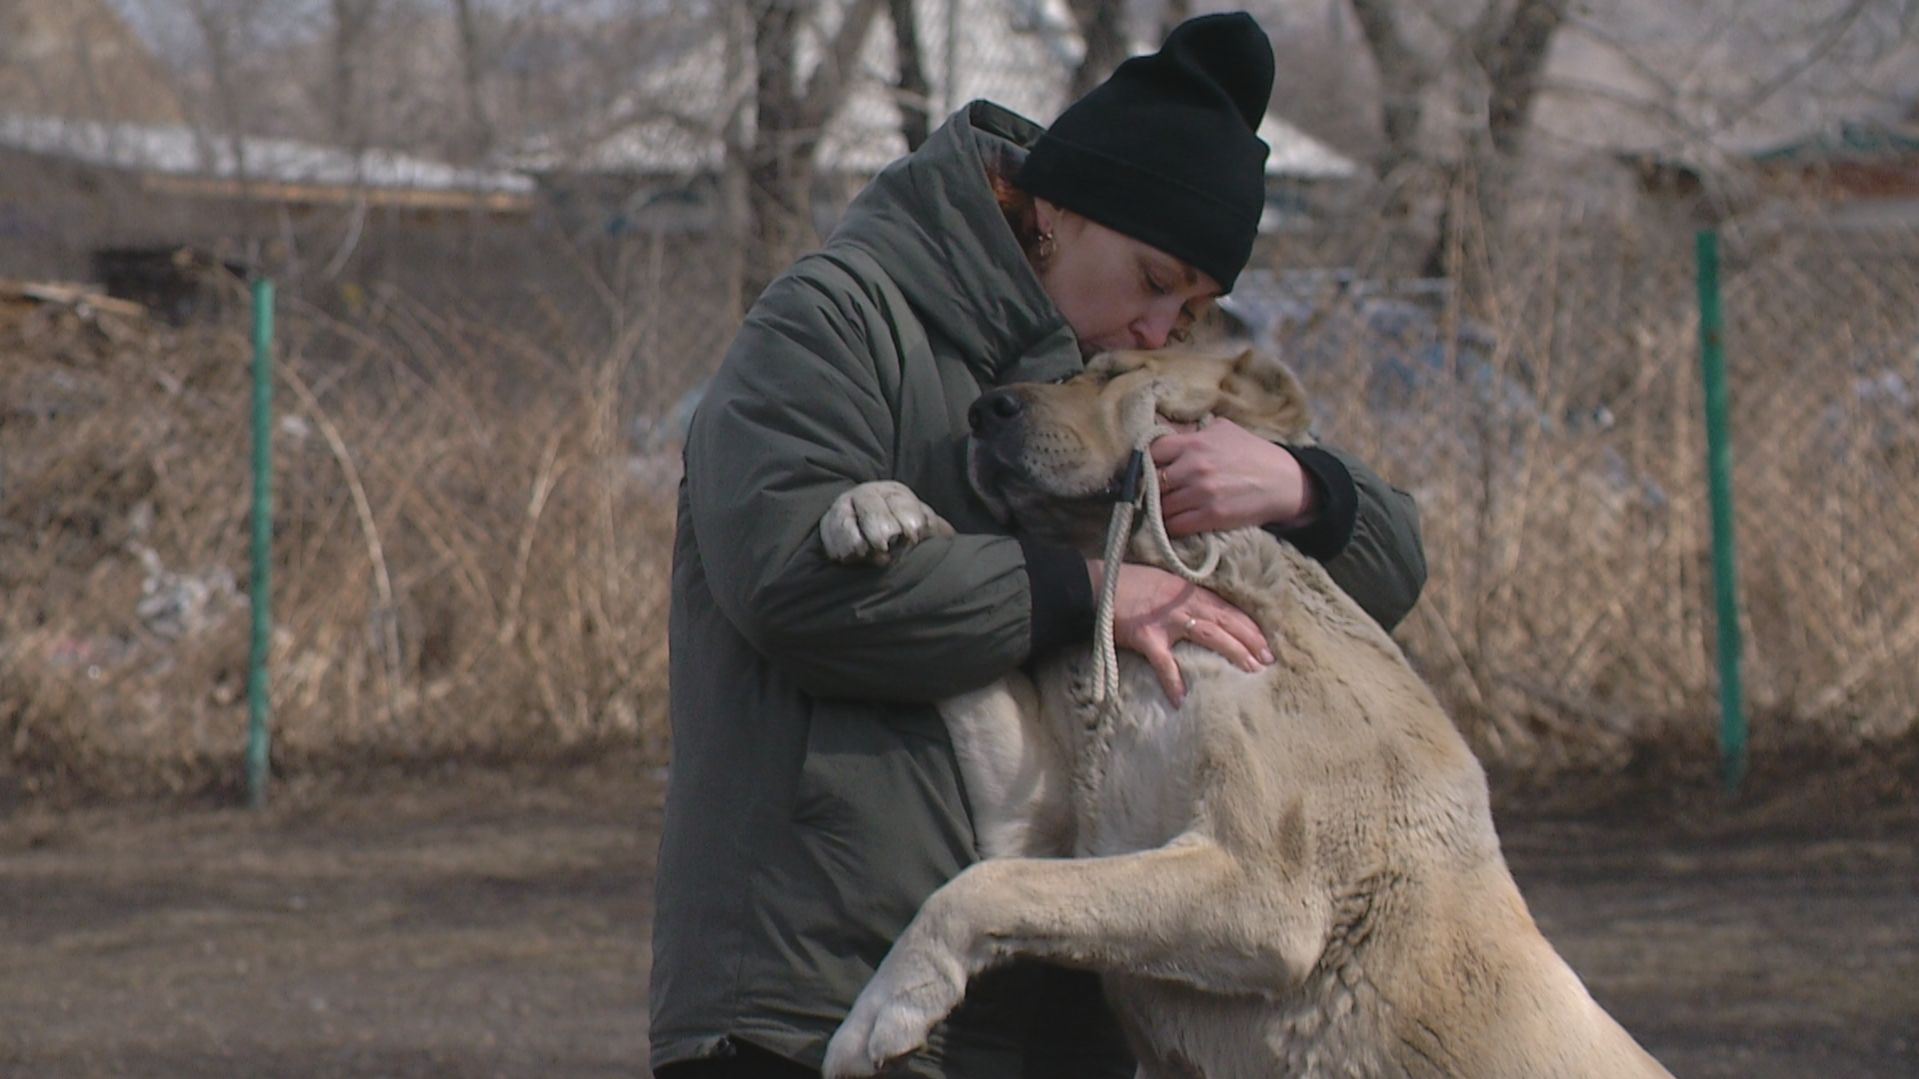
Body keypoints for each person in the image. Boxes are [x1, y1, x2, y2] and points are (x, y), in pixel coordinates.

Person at [650, 12, 1426, 1079]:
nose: (1162, 329)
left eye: (1192, 307)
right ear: (1054, 208)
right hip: (816, 996)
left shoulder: (1115, 393)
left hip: (1049, 1018)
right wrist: (1086, 586)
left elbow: (1374, 589)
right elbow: (796, 591)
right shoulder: (836, 320)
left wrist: (1304, 490)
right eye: (1154, 280)